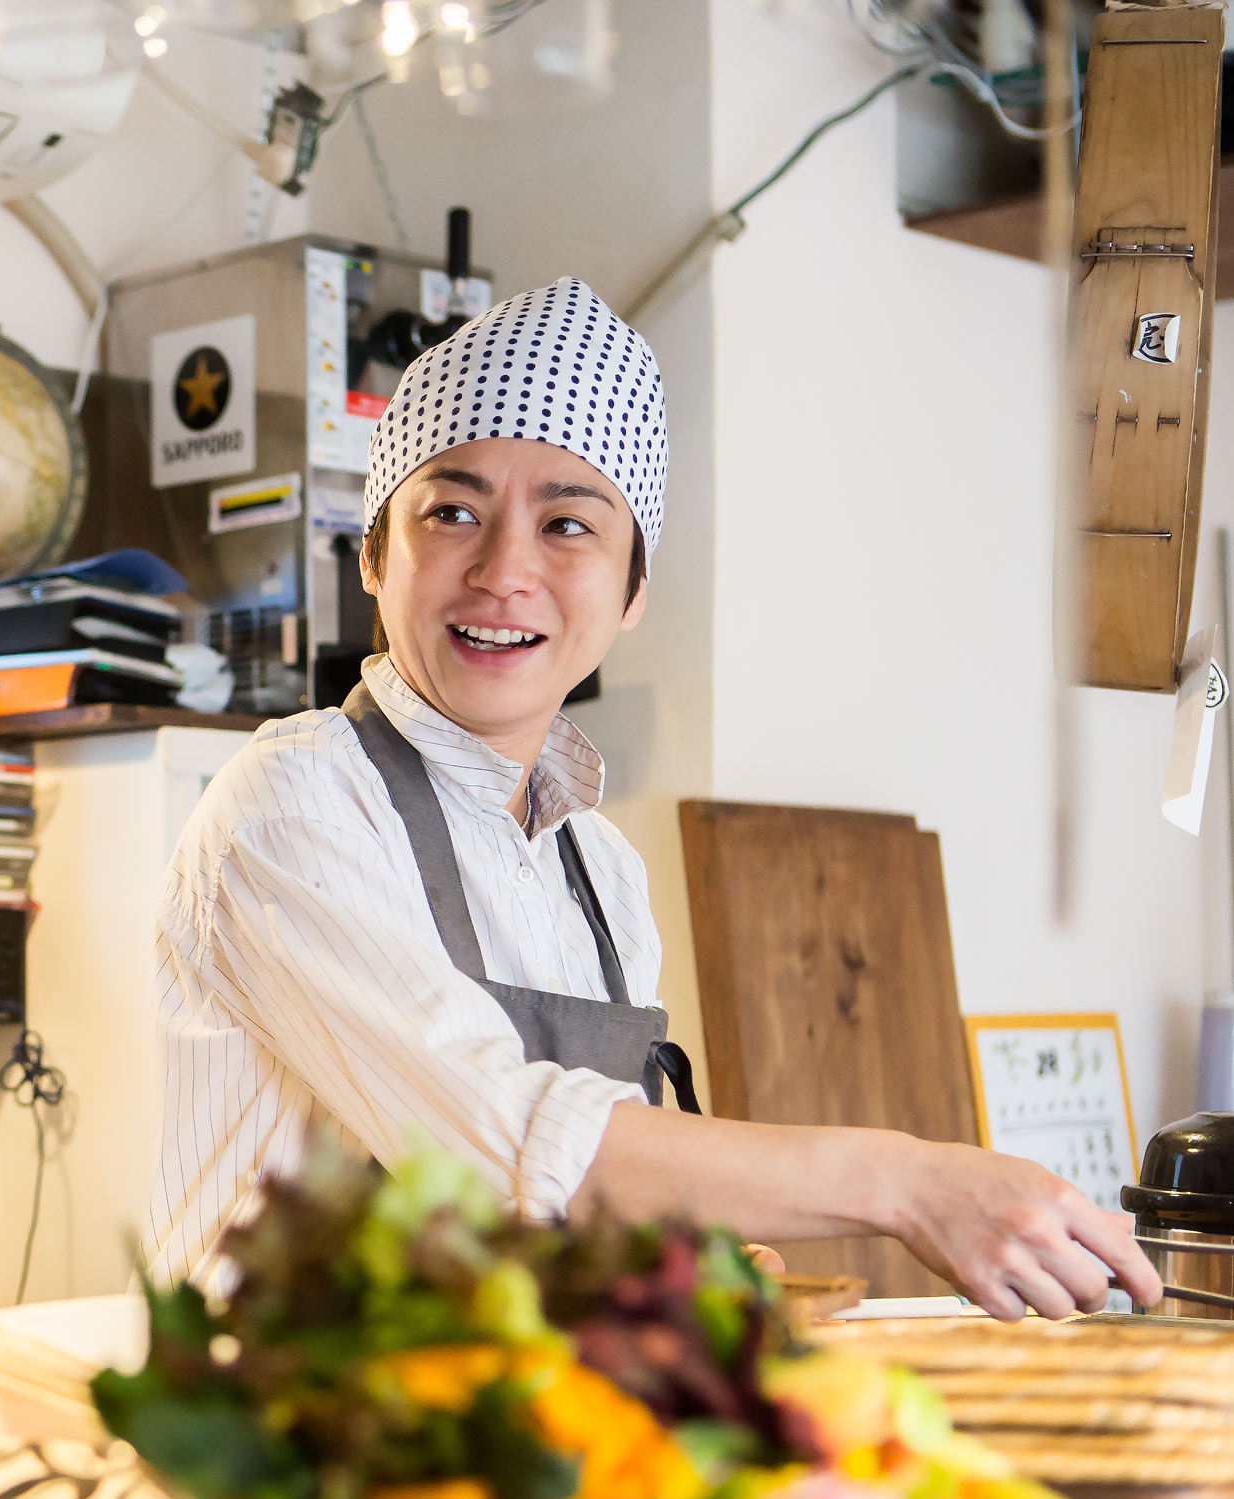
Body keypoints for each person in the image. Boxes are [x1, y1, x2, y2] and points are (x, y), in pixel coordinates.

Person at [145, 277, 1159, 1321]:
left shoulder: (599, 867)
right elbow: (515, 1144)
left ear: (632, 591)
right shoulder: (293, 803)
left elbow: (567, 1225)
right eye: (451, 511)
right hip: (272, 1437)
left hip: (496, 1442)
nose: (504, 570)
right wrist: (906, 1182)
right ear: (372, 554)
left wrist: (682, 1254)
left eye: (569, 525)